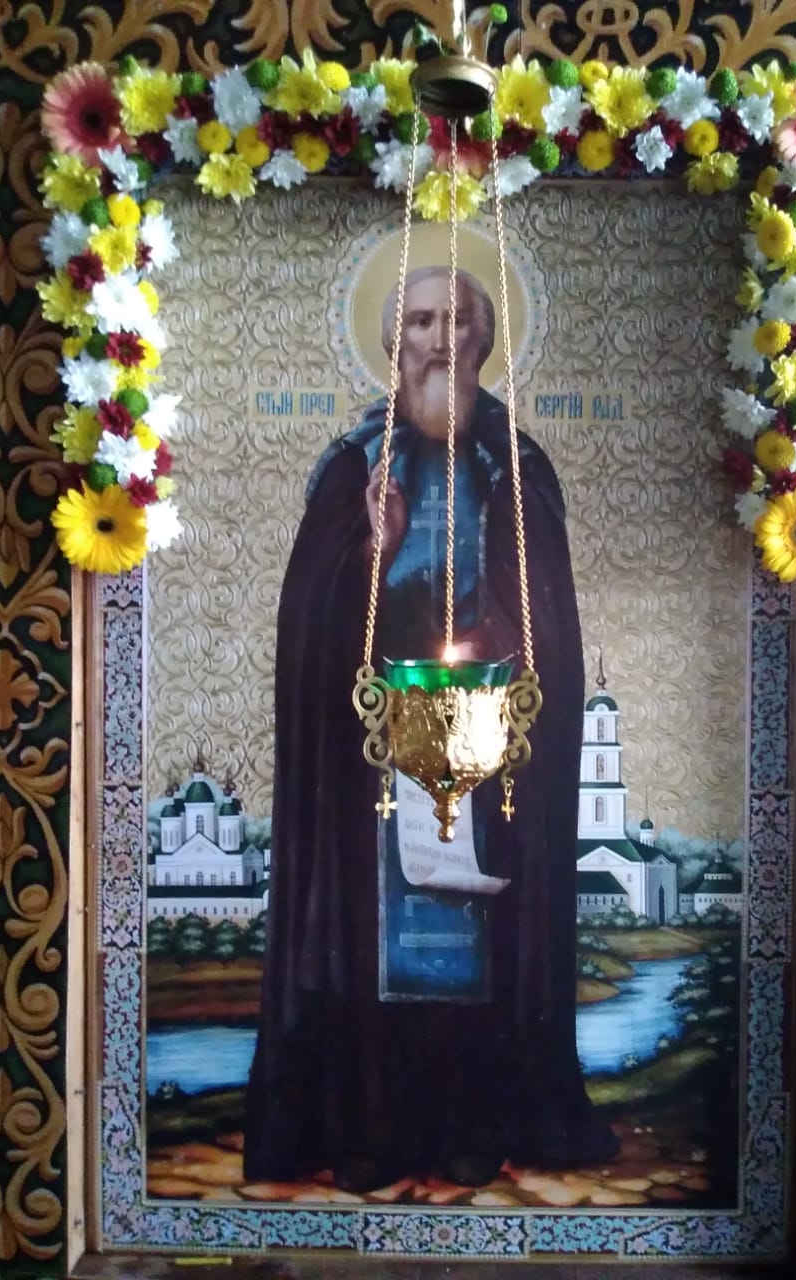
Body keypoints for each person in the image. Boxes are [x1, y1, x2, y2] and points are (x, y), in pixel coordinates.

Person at [244, 266, 617, 1192]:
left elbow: (547, 622)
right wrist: (368, 551)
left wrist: (494, 660)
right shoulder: (353, 467)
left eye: (455, 321)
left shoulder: (515, 468)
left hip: (491, 751)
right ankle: (366, 1131)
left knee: (475, 937)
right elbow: (309, 629)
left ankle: (471, 1125)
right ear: (392, 344)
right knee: (372, 941)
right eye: (418, 322)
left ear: (484, 341)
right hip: (369, 756)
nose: (437, 339)